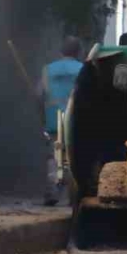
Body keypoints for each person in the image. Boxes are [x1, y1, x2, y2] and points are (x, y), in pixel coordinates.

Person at [39, 36, 84, 206]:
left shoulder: (47, 70)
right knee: (77, 155)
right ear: (78, 52)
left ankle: (52, 192)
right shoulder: (84, 69)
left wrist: (42, 118)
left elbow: (39, 95)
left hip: (53, 120)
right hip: (77, 121)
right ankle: (77, 193)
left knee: (53, 155)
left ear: (60, 52)